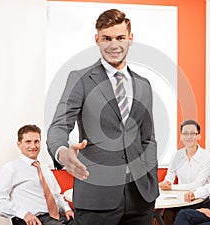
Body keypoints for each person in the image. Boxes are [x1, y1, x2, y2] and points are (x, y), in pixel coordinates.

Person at [47, 9, 158, 225]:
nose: (114, 45)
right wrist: (62, 152)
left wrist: (149, 174)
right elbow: (59, 126)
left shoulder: (144, 85)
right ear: (97, 39)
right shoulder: (80, 78)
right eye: (107, 38)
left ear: (130, 39)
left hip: (140, 197)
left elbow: (148, 138)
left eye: (120, 38)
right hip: (96, 197)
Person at [0, 125, 74, 225]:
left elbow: (57, 195)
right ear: (19, 144)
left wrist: (66, 209)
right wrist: (24, 214)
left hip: (57, 218)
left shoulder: (45, 169)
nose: (33, 146)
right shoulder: (11, 168)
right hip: (36, 220)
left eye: (36, 141)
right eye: (28, 142)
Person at [159, 119, 210, 225]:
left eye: (193, 133)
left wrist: (172, 187)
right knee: (167, 213)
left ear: (199, 136)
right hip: (179, 198)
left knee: (175, 214)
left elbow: (198, 185)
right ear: (181, 136)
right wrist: (166, 183)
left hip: (198, 199)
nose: (189, 137)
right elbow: (169, 177)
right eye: (185, 133)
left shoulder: (207, 157)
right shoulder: (176, 155)